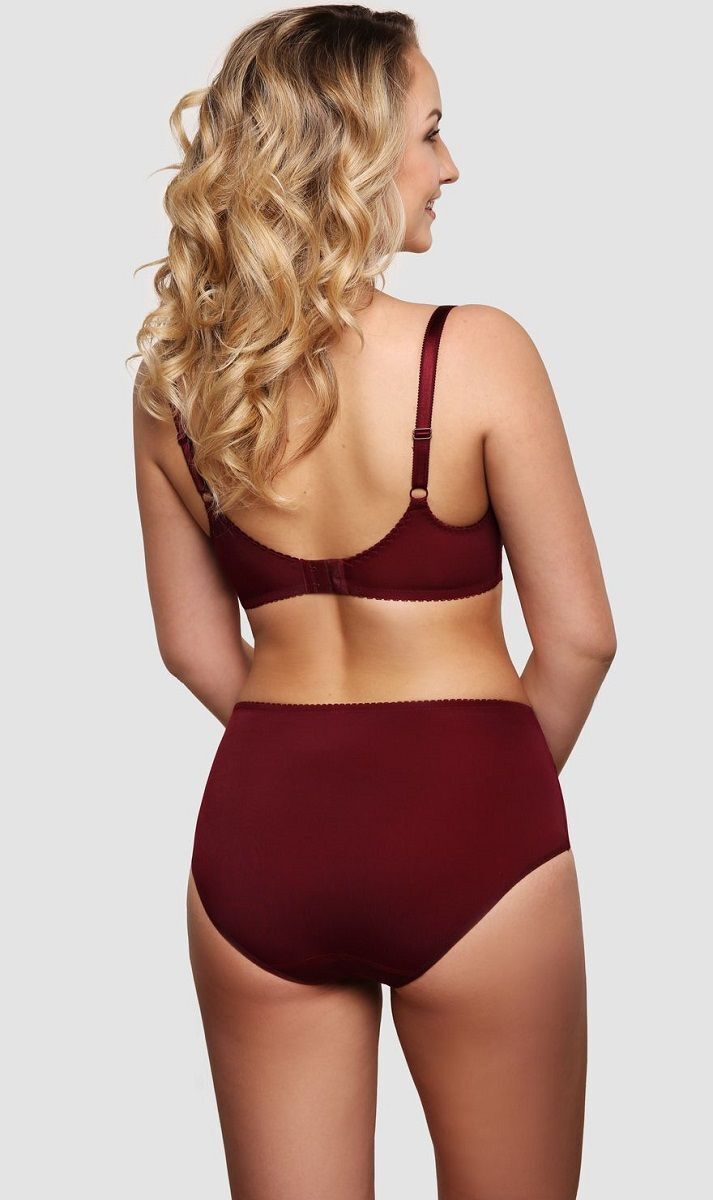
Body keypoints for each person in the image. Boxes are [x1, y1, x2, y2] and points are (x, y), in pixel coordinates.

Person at [131, 6, 616, 1198]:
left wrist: (318, 768)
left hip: (263, 835)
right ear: (352, 155)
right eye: (431, 132)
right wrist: (473, 792)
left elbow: (193, 648)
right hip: (470, 828)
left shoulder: (176, 389)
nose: (449, 166)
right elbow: (579, 639)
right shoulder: (477, 351)